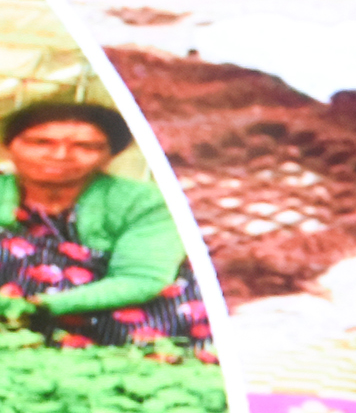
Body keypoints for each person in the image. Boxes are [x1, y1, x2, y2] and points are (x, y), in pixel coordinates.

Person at [0, 102, 208, 351]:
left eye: (85, 147)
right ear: (8, 146)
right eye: (40, 143)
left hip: (109, 303)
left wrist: (40, 306)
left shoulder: (145, 202)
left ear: (110, 154)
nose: (60, 156)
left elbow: (141, 277)